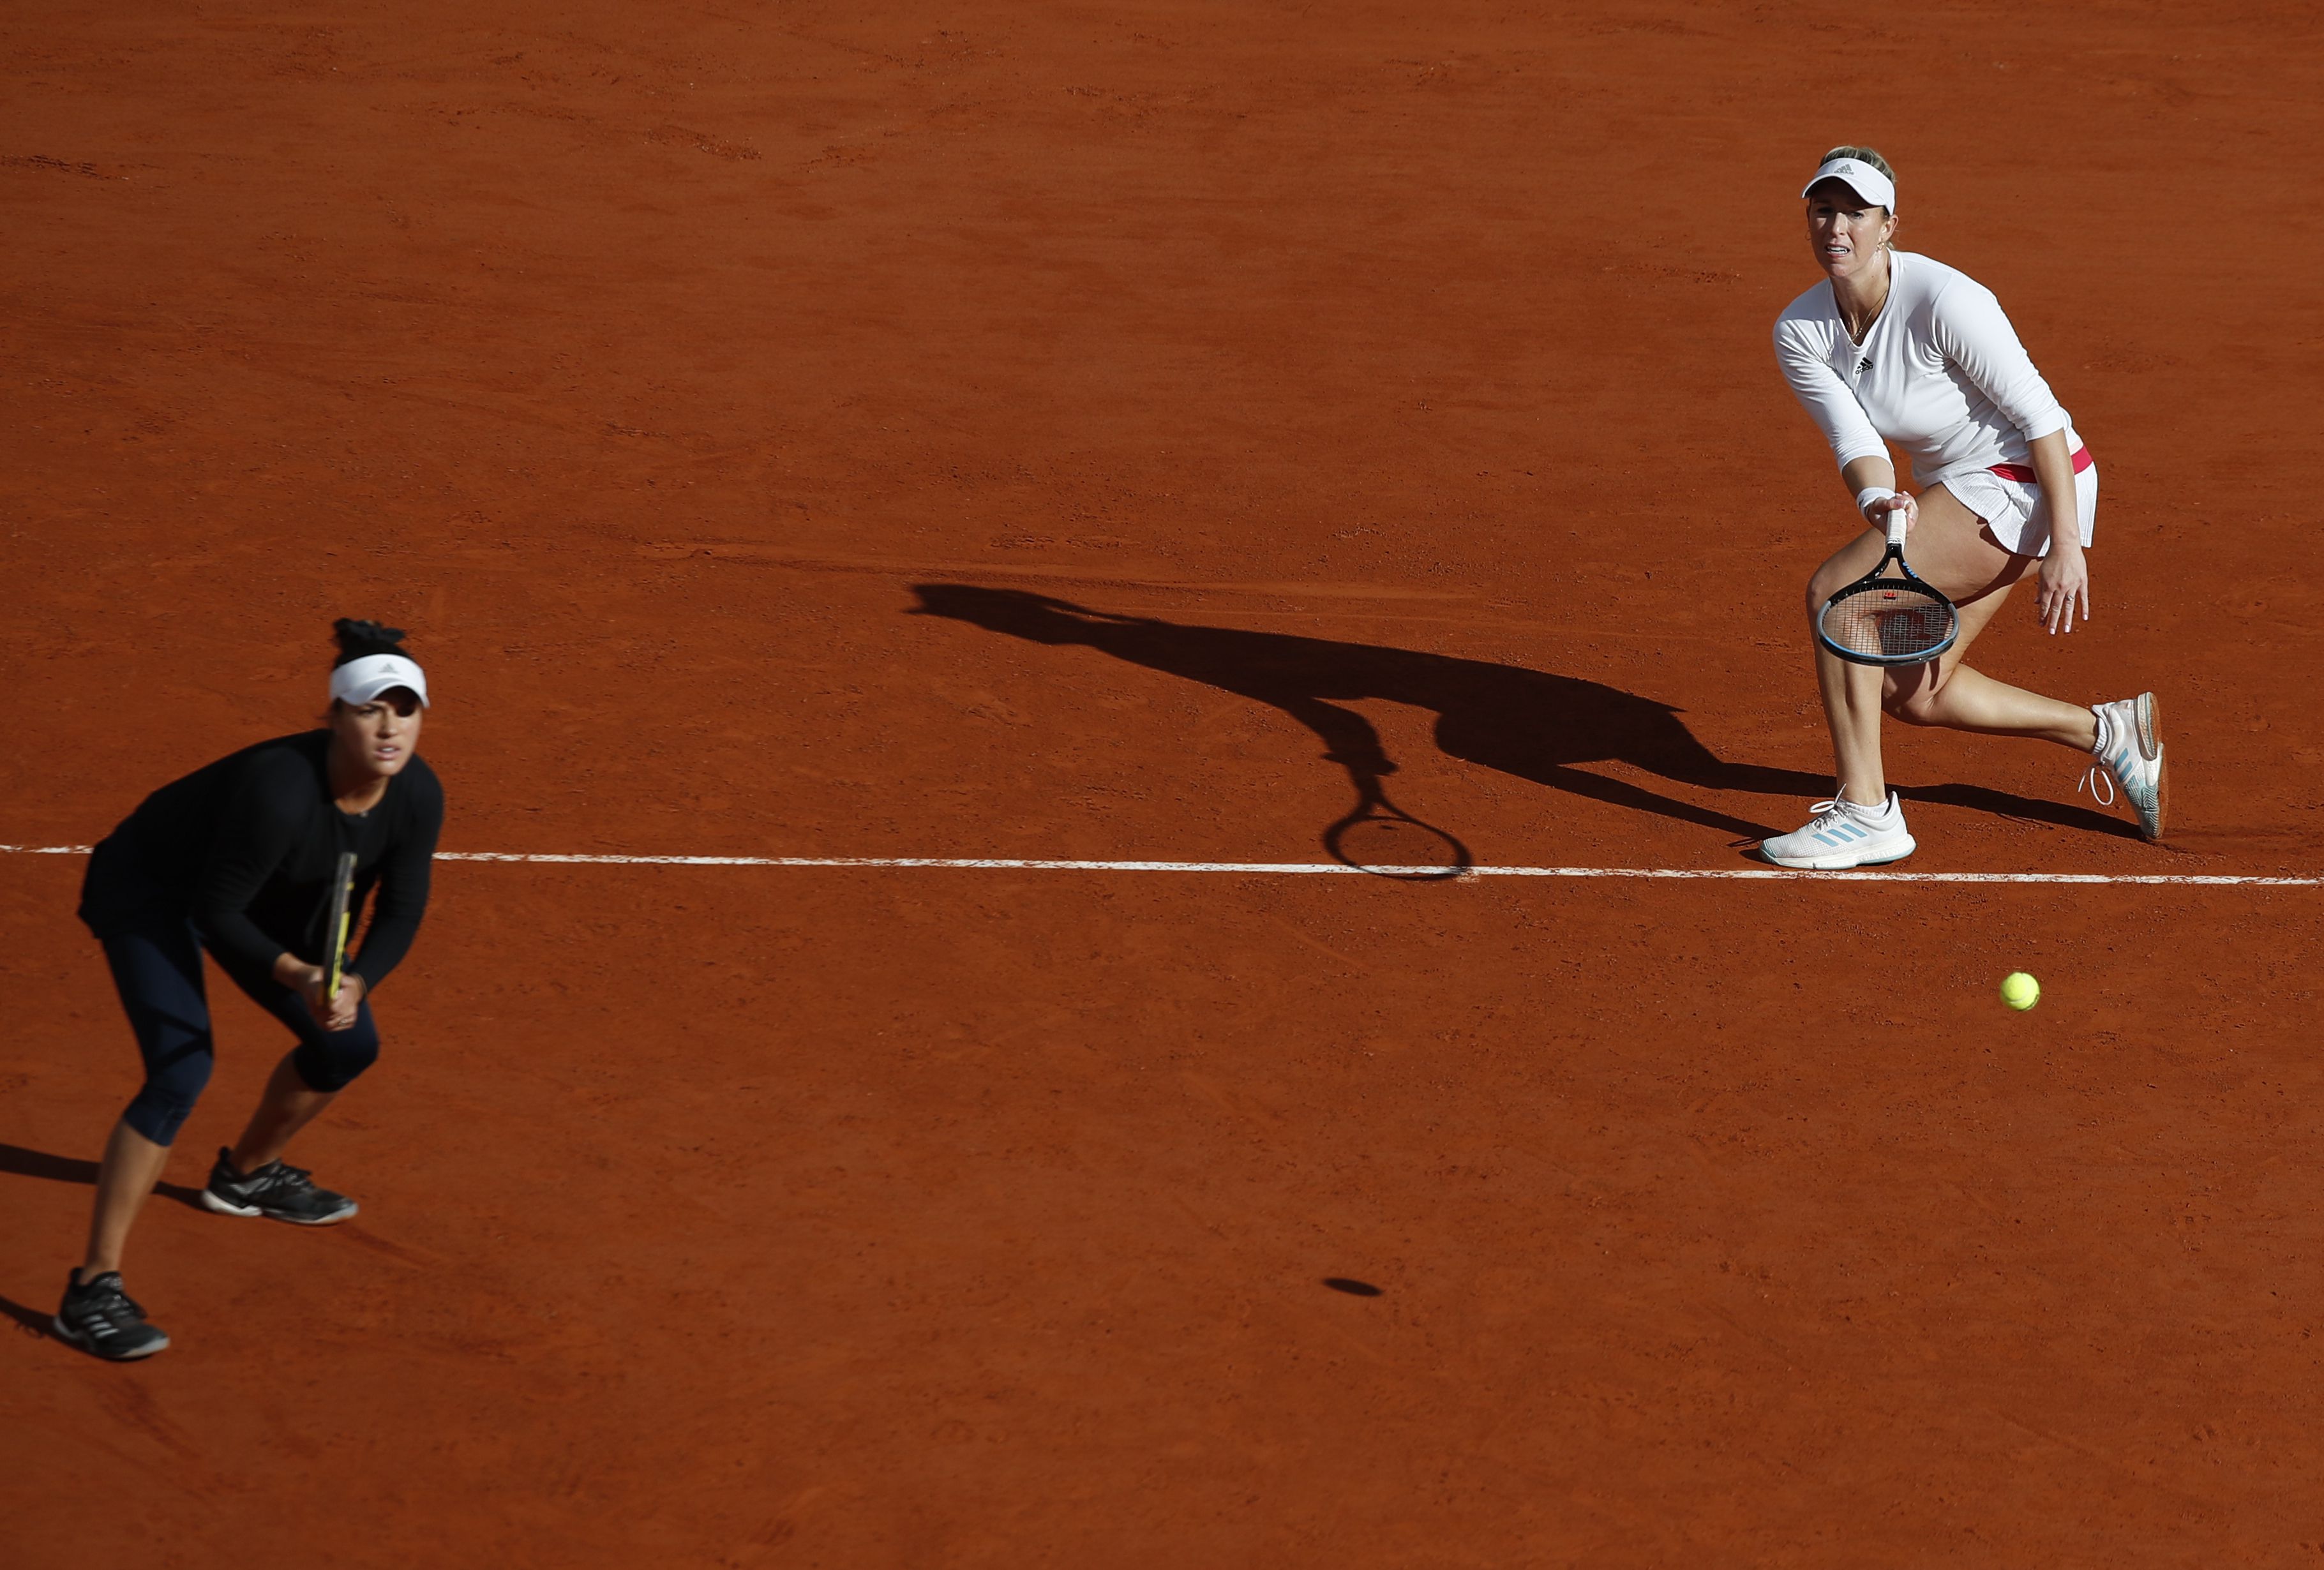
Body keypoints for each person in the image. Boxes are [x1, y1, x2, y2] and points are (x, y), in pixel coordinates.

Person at [1761, 147, 2164, 869]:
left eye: (1855, 212)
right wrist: (1875, 494)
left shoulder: (1946, 299)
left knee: (1837, 597)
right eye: (1823, 210)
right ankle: (2106, 733)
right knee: (1912, 691)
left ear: (1889, 225)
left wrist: (2066, 546)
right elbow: (1853, 436)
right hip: (1955, 486)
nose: (1836, 228)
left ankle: (1863, 812)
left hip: (2032, 479)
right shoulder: (1801, 328)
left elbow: (2040, 417)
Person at [53, 620, 444, 1359]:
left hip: (256, 893)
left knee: (348, 1044)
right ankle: (91, 1289)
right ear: (333, 717)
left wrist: (355, 981)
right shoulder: (280, 793)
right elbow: (212, 912)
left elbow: (402, 905)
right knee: (181, 1069)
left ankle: (245, 1176)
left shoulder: (416, 794)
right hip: (153, 888)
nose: (390, 727)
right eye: (369, 709)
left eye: (406, 707)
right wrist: (298, 975)